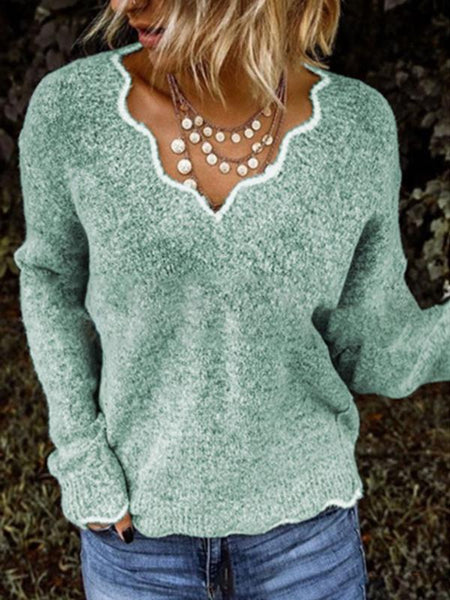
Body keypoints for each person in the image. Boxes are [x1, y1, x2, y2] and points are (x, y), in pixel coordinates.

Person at [14, 0, 450, 598]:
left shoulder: (357, 127)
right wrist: (82, 460)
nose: (125, 4)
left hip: (306, 546)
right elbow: (50, 282)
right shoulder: (73, 111)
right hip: (140, 548)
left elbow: (370, 342)